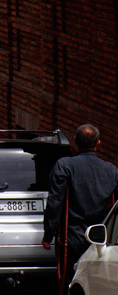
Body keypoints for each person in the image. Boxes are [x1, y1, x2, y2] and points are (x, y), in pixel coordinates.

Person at [42, 124, 118, 291]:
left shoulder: (65, 165)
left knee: (70, 278)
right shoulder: (111, 170)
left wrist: (48, 234)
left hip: (72, 236)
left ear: (74, 141)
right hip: (100, 237)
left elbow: (55, 201)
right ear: (98, 144)